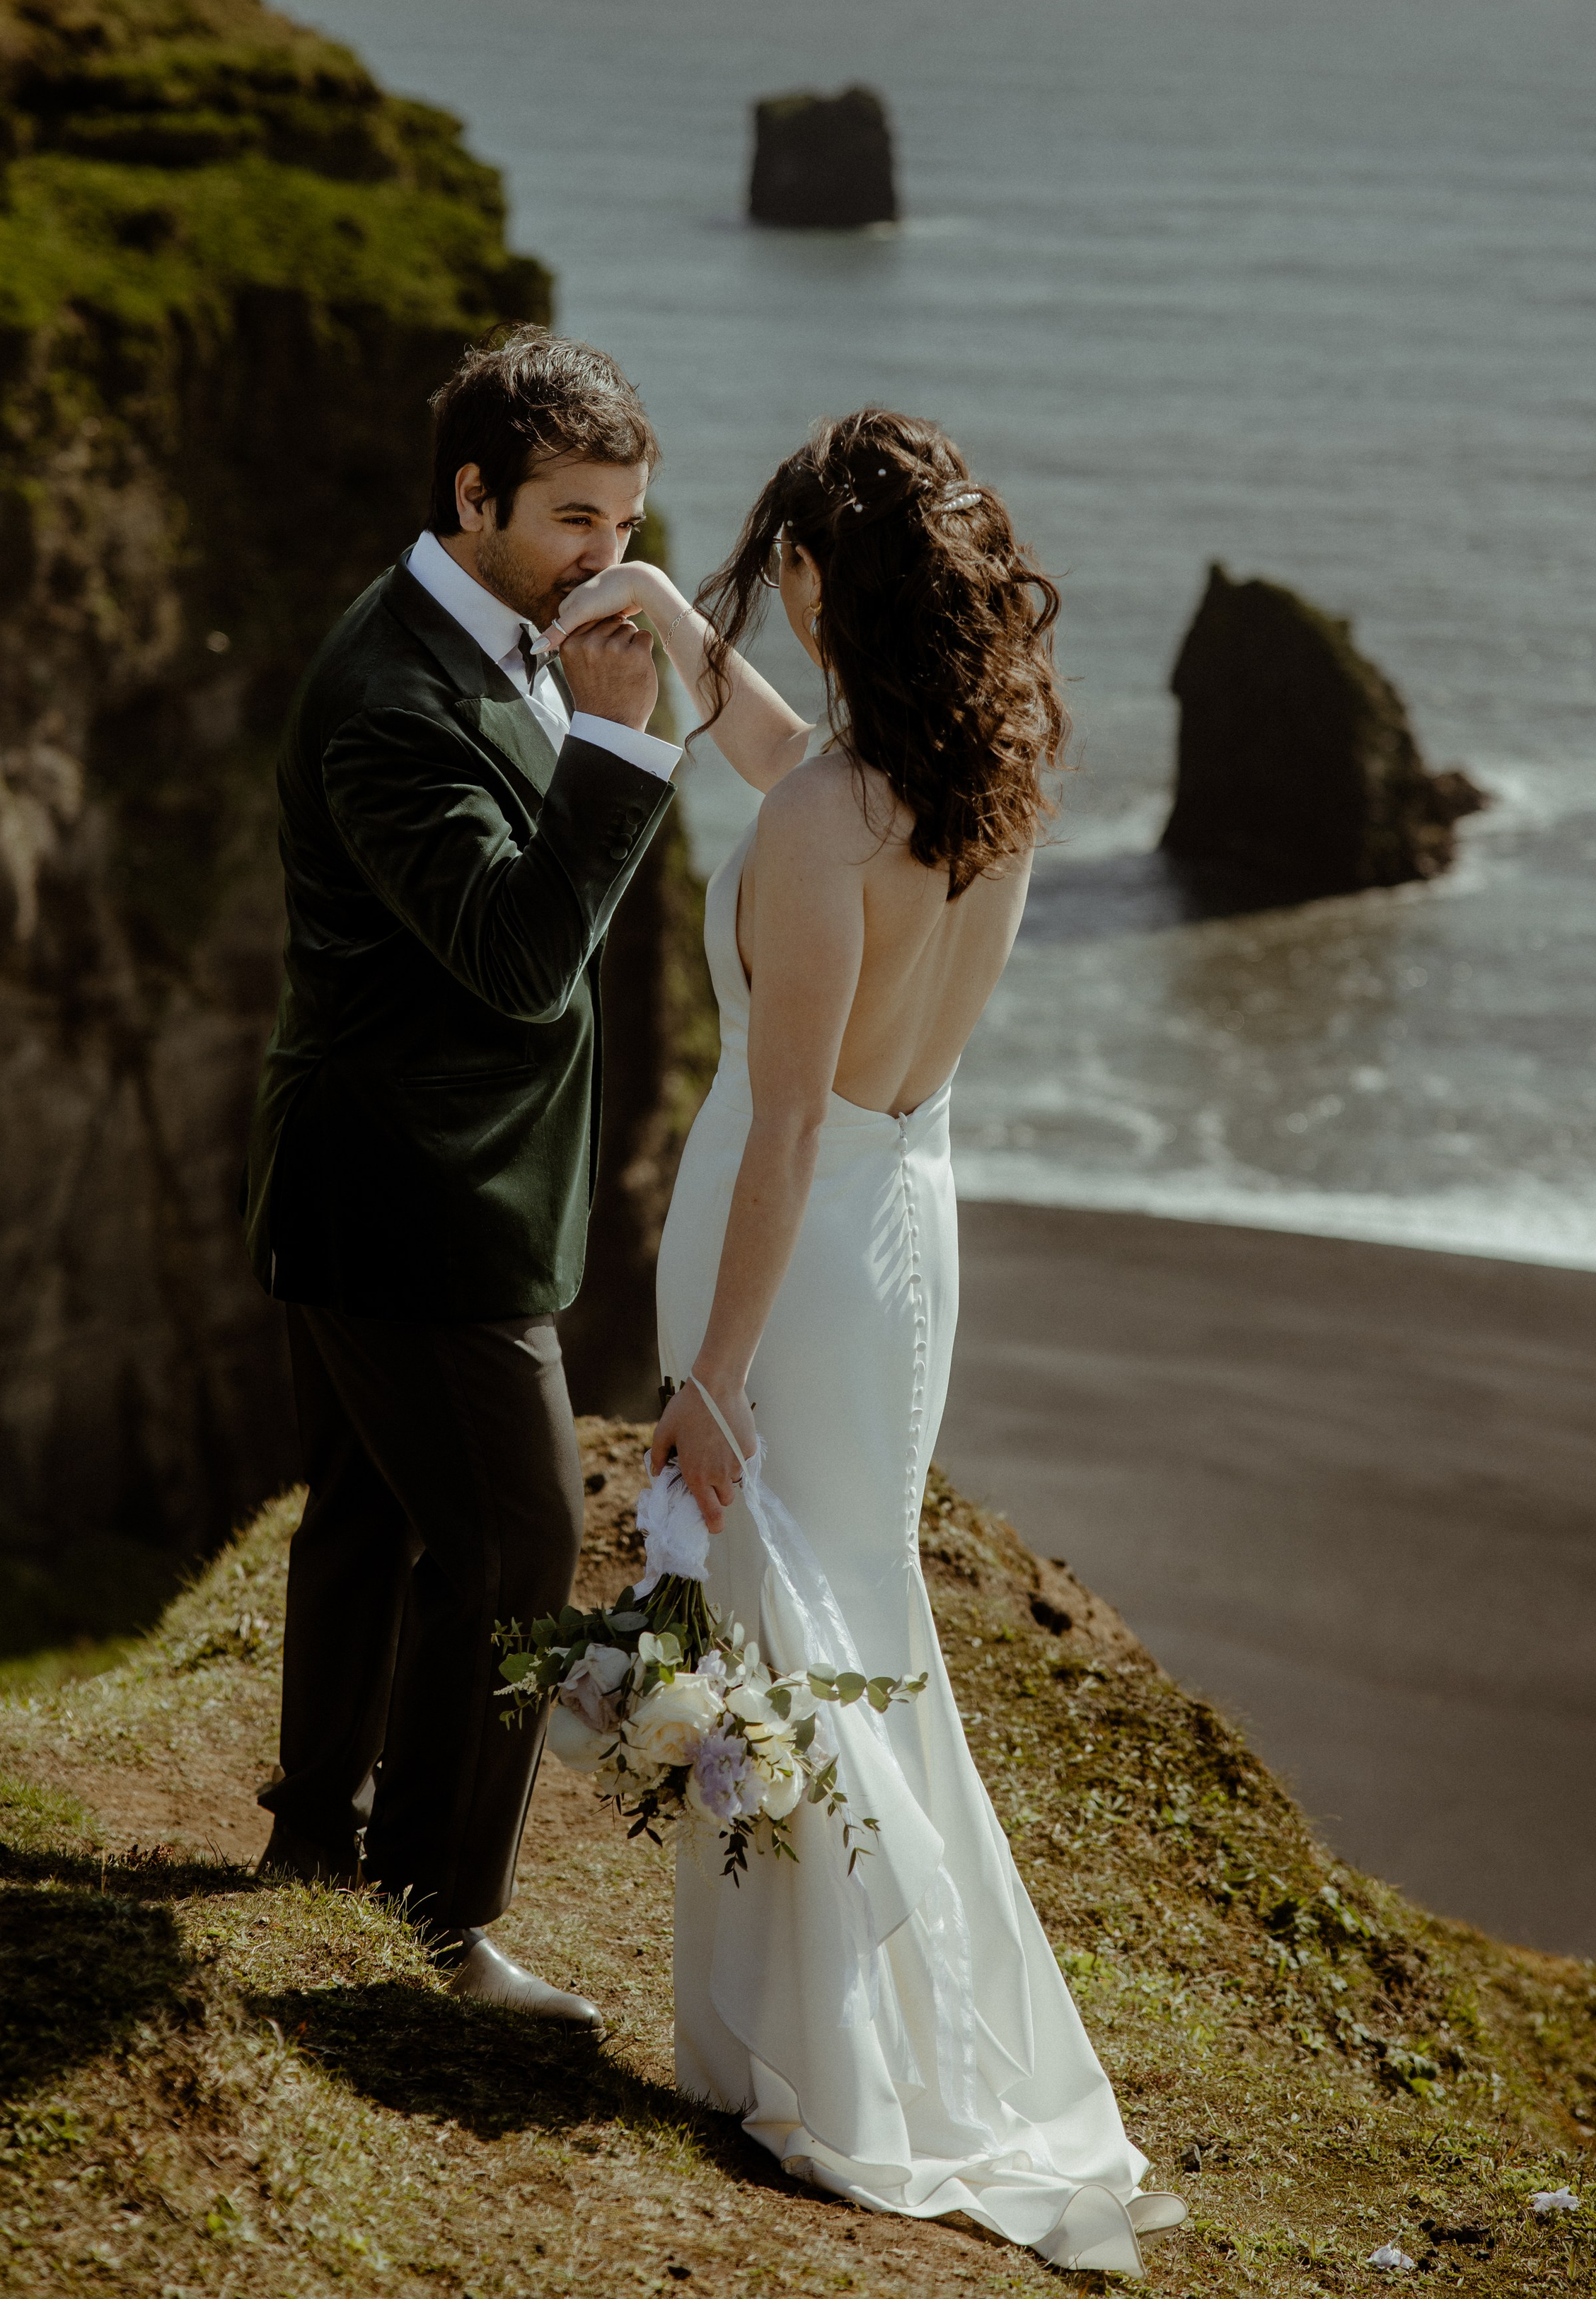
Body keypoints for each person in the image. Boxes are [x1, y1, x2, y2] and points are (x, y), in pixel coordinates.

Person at [539, 408, 1188, 2272]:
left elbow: (793, 1116)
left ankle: (828, 2071)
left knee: (781, 1618)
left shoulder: (838, 810)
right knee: (834, 1613)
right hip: (910, 1234)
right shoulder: (979, 780)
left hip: (800, 1250)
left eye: (782, 564)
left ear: (830, 576)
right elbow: (780, 759)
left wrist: (710, 1375)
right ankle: (786, 2056)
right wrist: (664, 610)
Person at [242, 328, 683, 2025]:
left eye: (625, 519)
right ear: (473, 493)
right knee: (513, 1545)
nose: (608, 558)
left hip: (403, 1172)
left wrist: (590, 701)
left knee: (366, 1512)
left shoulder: (495, 633)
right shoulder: (390, 696)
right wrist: (624, 748)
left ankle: (312, 1848)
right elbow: (513, 955)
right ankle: (440, 1921)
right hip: (409, 1198)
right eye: (573, 518)